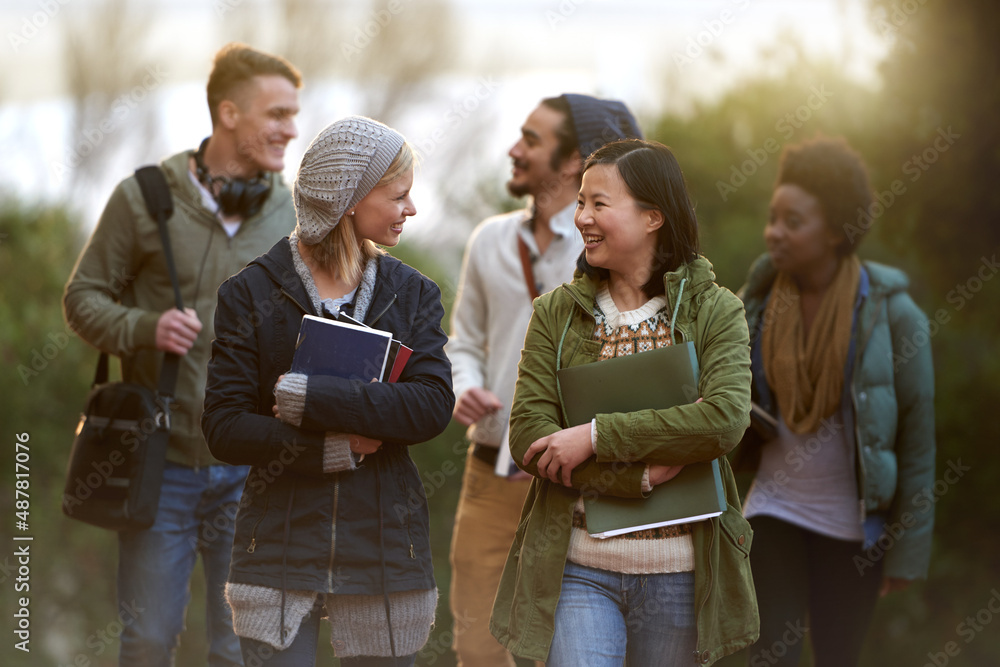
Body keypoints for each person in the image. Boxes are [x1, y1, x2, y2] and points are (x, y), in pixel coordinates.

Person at [63, 43, 301, 667]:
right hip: (158, 464)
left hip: (254, 470)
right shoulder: (144, 197)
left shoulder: (295, 212)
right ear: (229, 113)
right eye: (276, 114)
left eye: (293, 114)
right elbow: (82, 300)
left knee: (241, 646)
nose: (291, 129)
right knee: (147, 641)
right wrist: (144, 327)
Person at [490, 139, 759, 665]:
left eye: (599, 204)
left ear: (653, 217)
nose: (582, 217)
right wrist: (634, 477)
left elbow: (723, 420)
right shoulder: (555, 314)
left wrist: (592, 437)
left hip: (683, 576)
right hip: (577, 569)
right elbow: (528, 436)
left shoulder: (716, 310)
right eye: (581, 202)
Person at [201, 116, 455, 667]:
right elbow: (223, 427)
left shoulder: (413, 295)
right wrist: (329, 449)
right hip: (276, 555)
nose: (411, 209)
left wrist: (309, 398)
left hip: (385, 555)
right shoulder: (248, 294)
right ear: (349, 200)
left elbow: (431, 406)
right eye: (399, 196)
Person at [446, 93, 642, 666]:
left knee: (567, 651)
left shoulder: (607, 250)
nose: (514, 149)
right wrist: (466, 384)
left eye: (531, 140)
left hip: (577, 482)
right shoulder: (488, 240)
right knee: (477, 649)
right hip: (489, 473)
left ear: (573, 159)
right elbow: (464, 341)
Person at [733, 137, 935, 666]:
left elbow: (916, 440)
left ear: (834, 230)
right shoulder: (754, 301)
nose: (774, 233)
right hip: (772, 509)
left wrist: (908, 550)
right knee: (769, 654)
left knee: (838, 656)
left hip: (852, 529)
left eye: (792, 222)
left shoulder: (895, 317)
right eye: (772, 217)